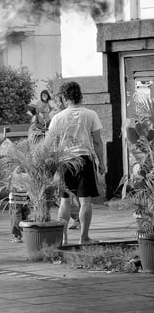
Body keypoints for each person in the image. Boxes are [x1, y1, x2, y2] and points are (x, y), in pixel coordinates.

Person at [46, 81, 106, 245]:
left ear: (65, 98)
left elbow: (48, 143)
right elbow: (98, 142)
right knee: (85, 201)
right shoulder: (91, 114)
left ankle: (63, 238)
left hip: (64, 162)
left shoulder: (58, 117)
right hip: (85, 160)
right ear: (80, 96)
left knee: (65, 201)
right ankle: (84, 237)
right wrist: (102, 163)